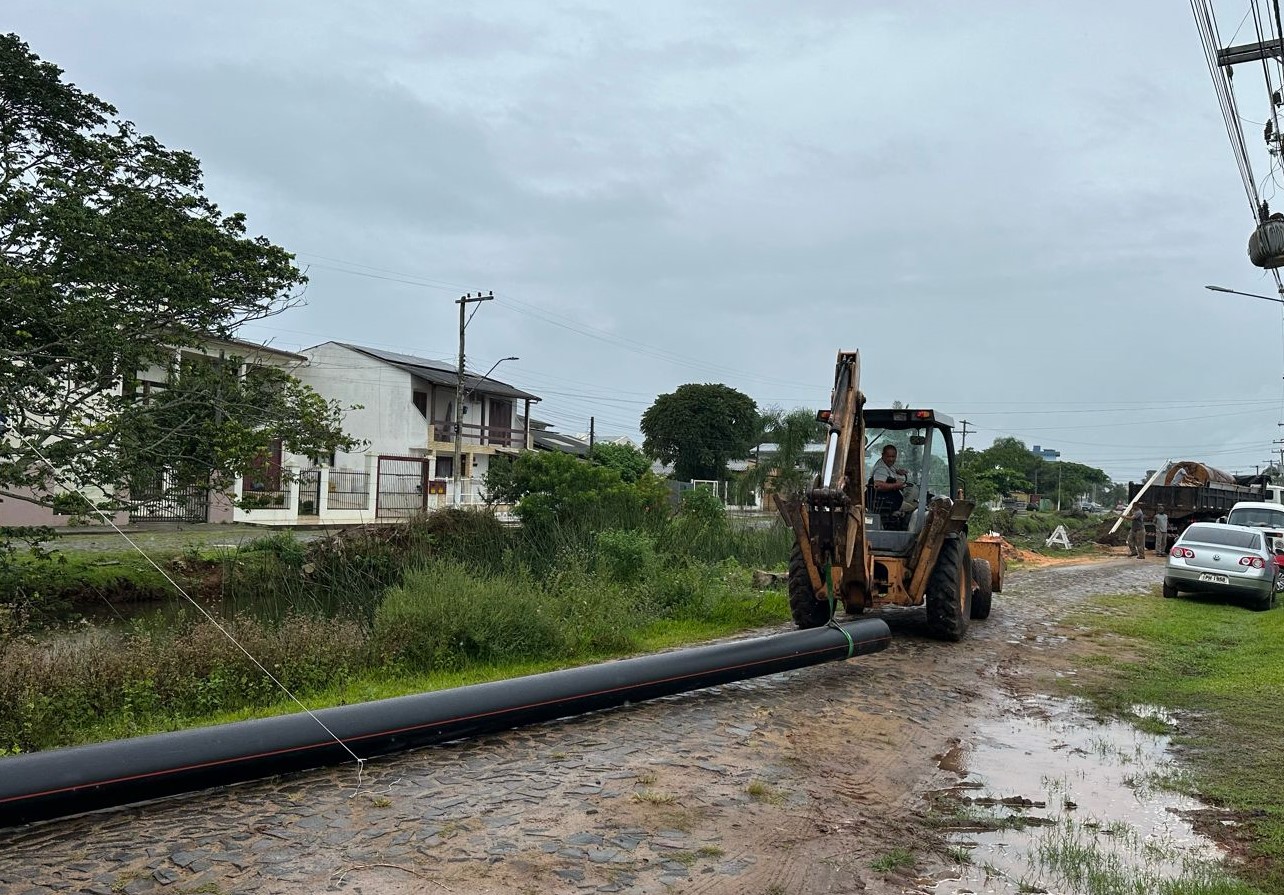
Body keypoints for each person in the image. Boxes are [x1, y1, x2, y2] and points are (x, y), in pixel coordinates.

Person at [868, 444, 911, 530]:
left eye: (893, 456)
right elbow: (878, 485)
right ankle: (904, 530)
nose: (891, 459)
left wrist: (898, 472)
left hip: (889, 502)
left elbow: (889, 473)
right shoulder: (881, 468)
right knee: (912, 508)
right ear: (883, 455)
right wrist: (897, 485)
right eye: (889, 456)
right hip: (885, 505)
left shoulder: (887, 465)